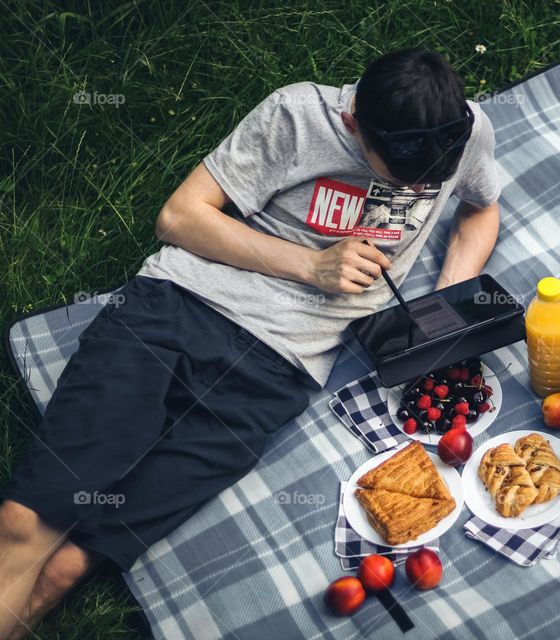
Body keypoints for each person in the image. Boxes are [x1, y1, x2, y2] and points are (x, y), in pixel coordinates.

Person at [0, 47, 500, 637]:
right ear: (352, 124)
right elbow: (179, 216)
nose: (416, 188)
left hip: (279, 371)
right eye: (398, 176)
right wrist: (311, 266)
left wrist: (443, 305)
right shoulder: (296, 114)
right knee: (26, 521)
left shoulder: (463, 133)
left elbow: (481, 208)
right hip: (180, 310)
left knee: (73, 562)